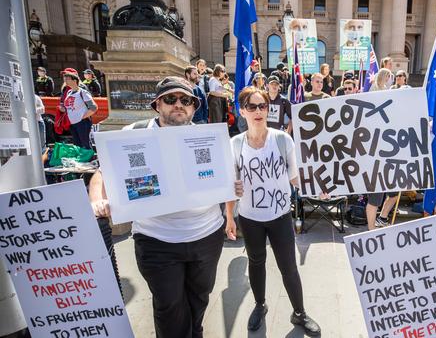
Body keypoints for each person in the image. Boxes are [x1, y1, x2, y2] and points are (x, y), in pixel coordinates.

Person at [88, 77, 243, 338]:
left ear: (194, 107)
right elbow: (101, 174)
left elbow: (226, 176)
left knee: (199, 298)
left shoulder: (207, 137)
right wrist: (97, 199)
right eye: (171, 99)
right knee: (169, 305)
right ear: (157, 105)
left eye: (186, 100)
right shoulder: (133, 134)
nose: (178, 105)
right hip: (156, 240)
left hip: (206, 237)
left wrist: (232, 189)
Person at [226, 87, 321, 336]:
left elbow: (295, 178)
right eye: (252, 106)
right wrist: (229, 216)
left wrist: (318, 187)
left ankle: (299, 312)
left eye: (263, 106)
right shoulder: (235, 145)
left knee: (288, 266)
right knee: (256, 262)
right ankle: (260, 305)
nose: (258, 111)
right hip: (250, 218)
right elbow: (230, 186)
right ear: (242, 110)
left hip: (279, 217)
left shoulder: (282, 139)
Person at [365, 68, 400, 229]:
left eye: (389, 75)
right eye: (387, 75)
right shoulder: (374, 90)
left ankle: (382, 218)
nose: (389, 77)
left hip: (389, 158)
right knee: (374, 200)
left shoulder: (388, 91)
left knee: (393, 194)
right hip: (375, 160)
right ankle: (371, 230)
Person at [58, 68, 97, 149]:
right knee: (77, 145)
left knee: (85, 145)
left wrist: (82, 117)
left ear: (74, 80)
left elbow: (93, 107)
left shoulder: (82, 92)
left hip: (82, 123)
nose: (65, 80)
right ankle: (80, 161)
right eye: (65, 77)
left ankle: (90, 160)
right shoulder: (69, 92)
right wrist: (64, 109)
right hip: (72, 123)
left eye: (67, 78)